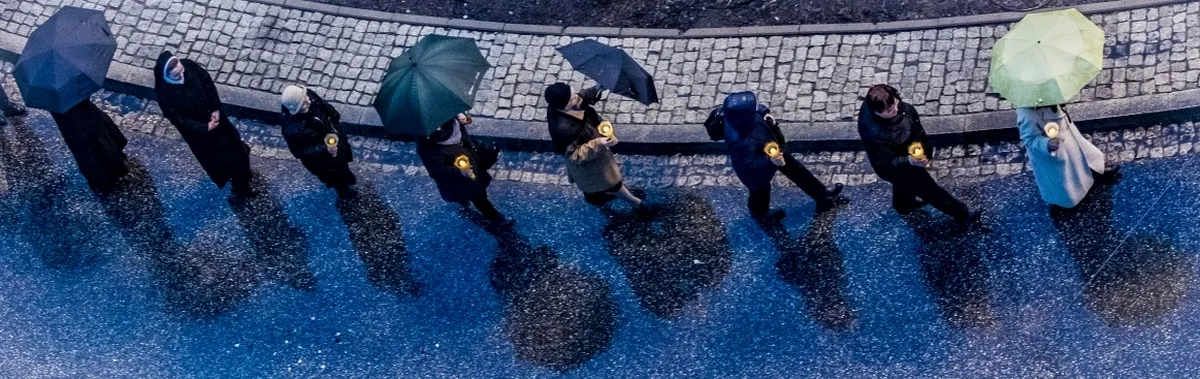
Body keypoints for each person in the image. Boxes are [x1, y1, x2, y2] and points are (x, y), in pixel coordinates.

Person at [857, 84, 981, 223]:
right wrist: (909, 160)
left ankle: (903, 205)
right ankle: (962, 213)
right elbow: (884, 164)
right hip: (902, 167)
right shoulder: (876, 135)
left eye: (896, 103)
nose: (896, 110)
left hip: (909, 151)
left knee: (903, 185)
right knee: (929, 190)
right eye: (890, 110)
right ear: (878, 112)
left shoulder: (882, 102)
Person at [721, 91, 843, 220]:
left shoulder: (739, 118)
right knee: (760, 193)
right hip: (758, 173)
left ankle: (821, 193)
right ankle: (761, 214)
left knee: (798, 170)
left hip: (772, 150)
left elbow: (758, 110)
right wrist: (771, 160)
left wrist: (764, 112)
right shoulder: (740, 142)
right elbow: (751, 166)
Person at [543, 83, 658, 217]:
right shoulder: (563, 129)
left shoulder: (563, 105)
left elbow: (581, 97)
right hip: (591, 164)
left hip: (591, 158)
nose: (577, 97)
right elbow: (574, 155)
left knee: (591, 186)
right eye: (572, 97)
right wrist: (599, 142)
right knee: (613, 184)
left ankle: (594, 197)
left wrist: (597, 88)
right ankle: (637, 204)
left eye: (574, 93)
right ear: (564, 104)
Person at [153, 51, 255, 197]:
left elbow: (207, 83)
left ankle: (242, 171)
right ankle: (241, 186)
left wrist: (215, 109)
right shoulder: (165, 94)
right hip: (203, 136)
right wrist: (205, 128)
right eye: (175, 72)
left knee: (234, 145)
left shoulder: (189, 66)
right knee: (225, 160)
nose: (180, 71)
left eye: (179, 66)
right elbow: (180, 120)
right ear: (166, 75)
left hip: (218, 120)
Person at [416, 113, 515, 227]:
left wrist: (461, 116)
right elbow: (437, 172)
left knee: (475, 191)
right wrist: (460, 172)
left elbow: (461, 127)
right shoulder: (427, 147)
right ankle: (495, 218)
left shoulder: (448, 119)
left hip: (471, 159)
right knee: (478, 197)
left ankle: (463, 202)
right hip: (460, 180)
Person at [1017, 104, 1120, 209]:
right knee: (1067, 177)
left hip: (1069, 137)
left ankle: (1096, 169)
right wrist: (1046, 143)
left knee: (1083, 156)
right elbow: (1030, 140)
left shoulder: (1049, 97)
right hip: (1054, 151)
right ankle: (1072, 196)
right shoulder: (1026, 113)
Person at [279, 85, 358, 198]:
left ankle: (346, 177)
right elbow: (298, 152)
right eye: (303, 104)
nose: (309, 101)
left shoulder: (307, 96)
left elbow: (323, 105)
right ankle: (342, 189)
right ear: (295, 110)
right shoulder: (291, 129)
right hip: (322, 161)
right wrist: (324, 148)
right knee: (334, 175)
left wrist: (334, 115)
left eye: (306, 98)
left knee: (343, 162)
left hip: (335, 141)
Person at [48, 99, 129, 192]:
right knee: (96, 145)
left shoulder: (49, 97)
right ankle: (111, 168)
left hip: (71, 124)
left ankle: (104, 175)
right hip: (82, 118)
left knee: (89, 151)